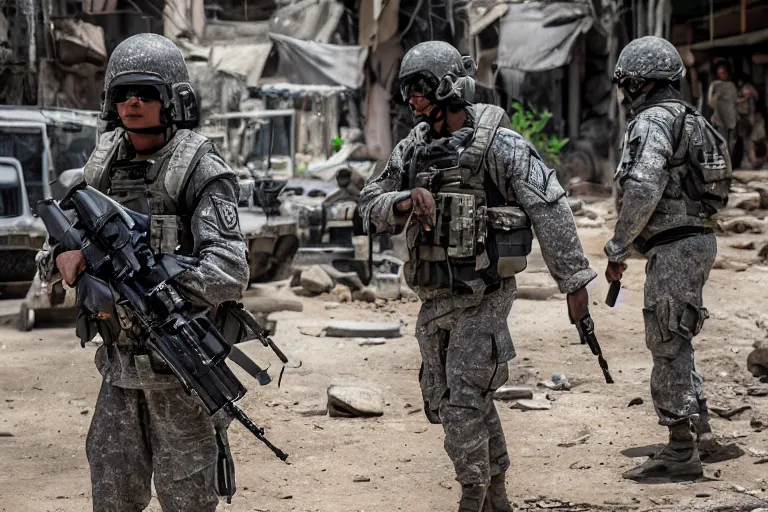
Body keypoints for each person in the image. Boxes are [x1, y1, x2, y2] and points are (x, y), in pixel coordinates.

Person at [359, 41, 597, 512]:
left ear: (449, 86)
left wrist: (574, 284)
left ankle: (472, 495)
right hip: (435, 298)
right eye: (407, 89)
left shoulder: (499, 145)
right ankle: (498, 494)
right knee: (446, 397)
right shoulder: (413, 149)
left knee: (464, 398)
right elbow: (368, 203)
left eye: (421, 87)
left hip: (485, 294)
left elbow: (549, 209)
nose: (413, 99)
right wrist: (404, 201)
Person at [36, 33, 249, 511]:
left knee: (188, 502)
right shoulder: (101, 163)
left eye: (146, 93)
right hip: (118, 372)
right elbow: (51, 257)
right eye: (122, 94)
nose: (132, 103)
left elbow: (230, 270)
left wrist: (156, 277)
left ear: (174, 100)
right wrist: (68, 261)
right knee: (112, 499)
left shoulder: (197, 168)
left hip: (179, 373)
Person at [607, 36, 737, 481]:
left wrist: (618, 244)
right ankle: (699, 429)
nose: (624, 94)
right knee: (679, 334)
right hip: (697, 239)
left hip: (677, 244)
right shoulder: (692, 118)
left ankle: (681, 449)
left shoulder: (652, 121)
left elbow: (643, 186)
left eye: (626, 85)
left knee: (666, 341)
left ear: (638, 83)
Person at [707, 60, 738, 156]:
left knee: (731, 142)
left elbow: (735, 100)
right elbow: (710, 102)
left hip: (731, 116)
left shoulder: (731, 85)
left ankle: (730, 163)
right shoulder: (715, 85)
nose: (723, 75)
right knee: (722, 142)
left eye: (724, 73)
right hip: (719, 117)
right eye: (720, 73)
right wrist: (717, 97)